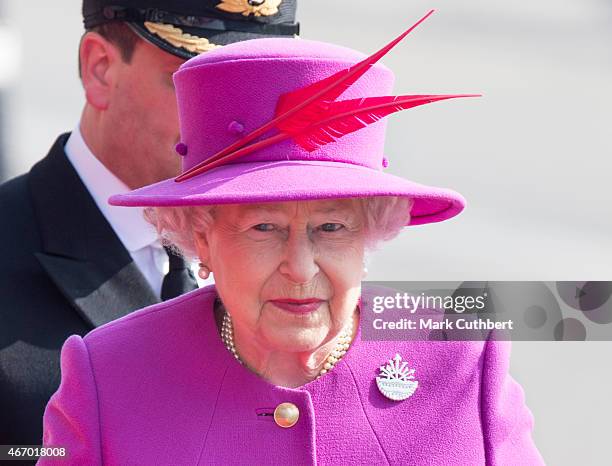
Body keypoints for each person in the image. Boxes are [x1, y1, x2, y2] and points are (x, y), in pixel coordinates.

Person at [39, 12, 544, 465]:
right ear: (202, 239)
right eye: (265, 228)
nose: (300, 268)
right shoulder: (109, 376)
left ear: (369, 234)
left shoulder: (461, 358)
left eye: (331, 228)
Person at [0, 0, 300, 447]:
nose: (241, 124)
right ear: (100, 68)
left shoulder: (301, 245)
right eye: (201, 84)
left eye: (257, 88)